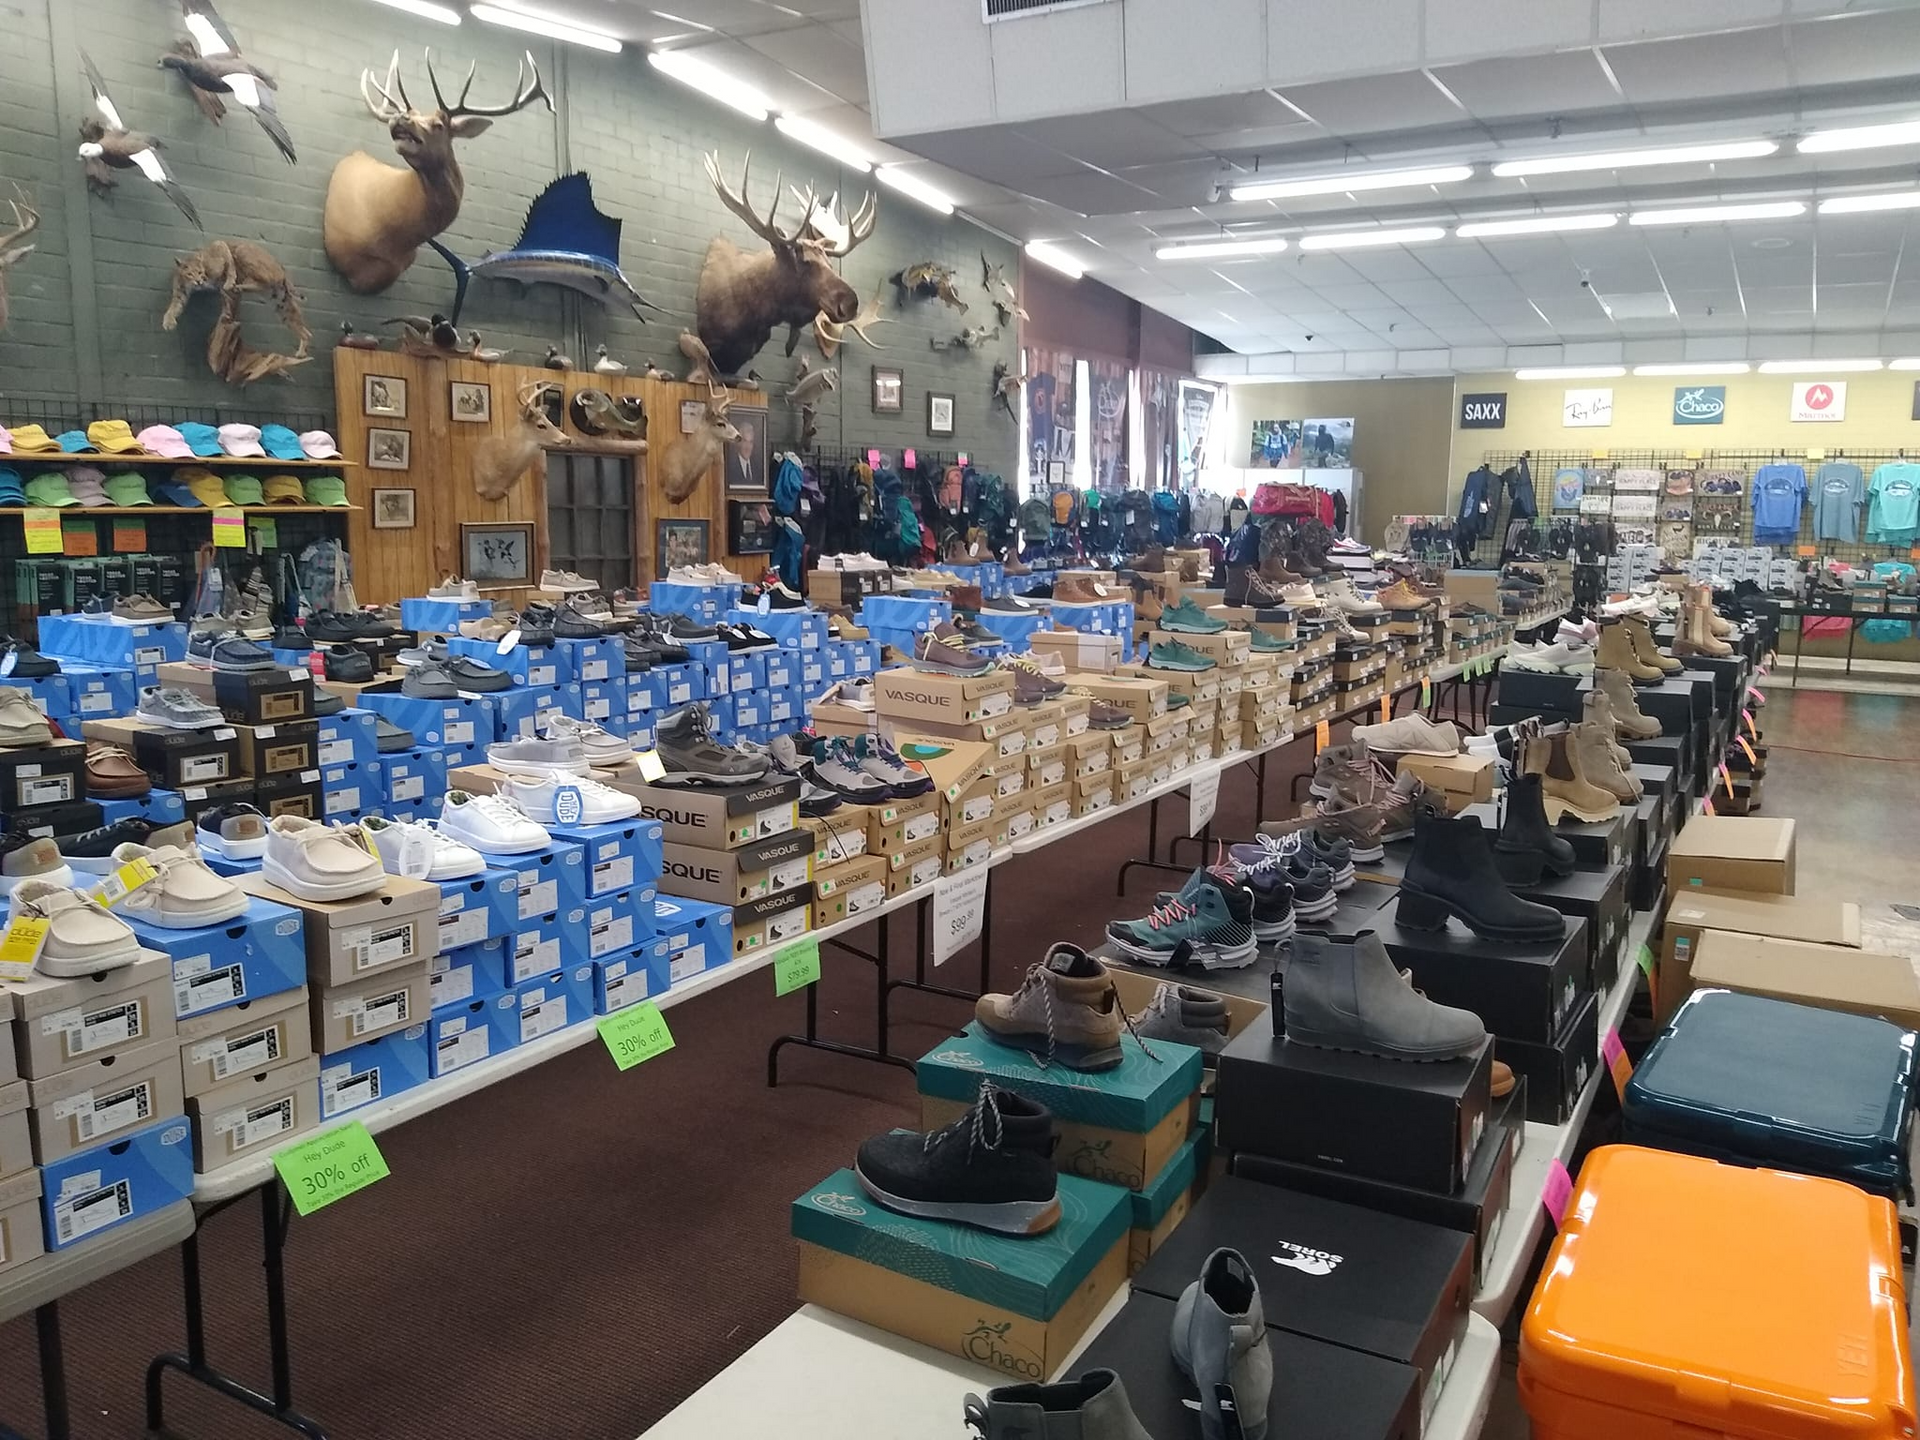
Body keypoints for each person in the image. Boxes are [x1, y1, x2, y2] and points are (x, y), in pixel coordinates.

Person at [728, 419, 760, 492]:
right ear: (738, 443)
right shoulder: (730, 466)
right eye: (745, 441)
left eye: (750, 442)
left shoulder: (758, 466)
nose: (748, 447)